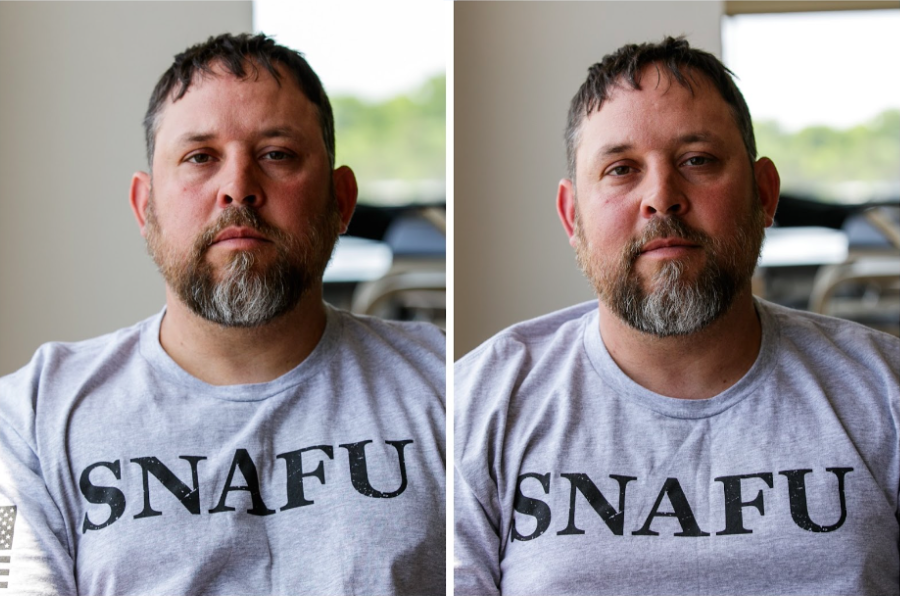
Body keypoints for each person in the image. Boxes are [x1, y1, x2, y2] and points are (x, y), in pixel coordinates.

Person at [0, 33, 445, 595]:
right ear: (146, 207)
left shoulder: (448, 388)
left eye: (276, 154)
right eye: (199, 158)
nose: (238, 188)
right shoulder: (31, 420)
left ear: (342, 201)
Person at [454, 37, 899, 596]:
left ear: (764, 194)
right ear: (573, 217)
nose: (662, 197)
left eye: (698, 160)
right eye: (620, 169)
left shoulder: (885, 392)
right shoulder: (477, 405)